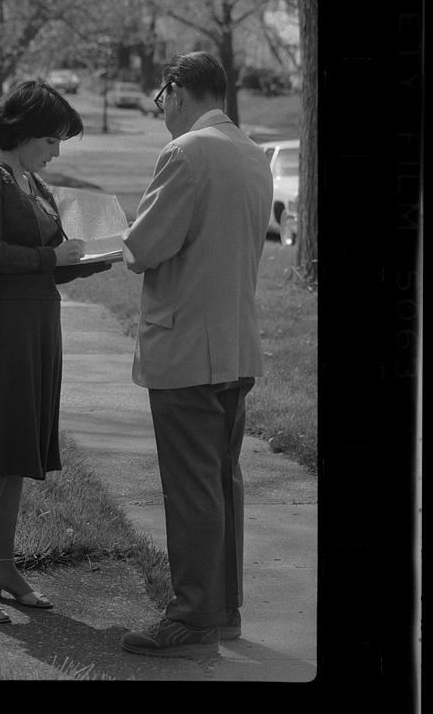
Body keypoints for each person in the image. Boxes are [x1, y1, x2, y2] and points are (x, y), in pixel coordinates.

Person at [120, 52, 273, 657]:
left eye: (162, 98)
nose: (162, 111)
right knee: (221, 482)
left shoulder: (186, 152)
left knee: (191, 489)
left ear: (178, 91)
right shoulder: (252, 153)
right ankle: (223, 608)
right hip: (236, 342)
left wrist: (124, 235)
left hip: (188, 347)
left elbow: (144, 247)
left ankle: (191, 616)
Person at [0, 80, 111, 624]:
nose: (57, 151)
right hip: (2, 333)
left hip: (39, 327)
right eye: (52, 140)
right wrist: (52, 259)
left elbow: (52, 256)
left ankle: (1, 567)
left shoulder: (33, 182)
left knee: (17, 455)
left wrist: (101, 255)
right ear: (21, 133)